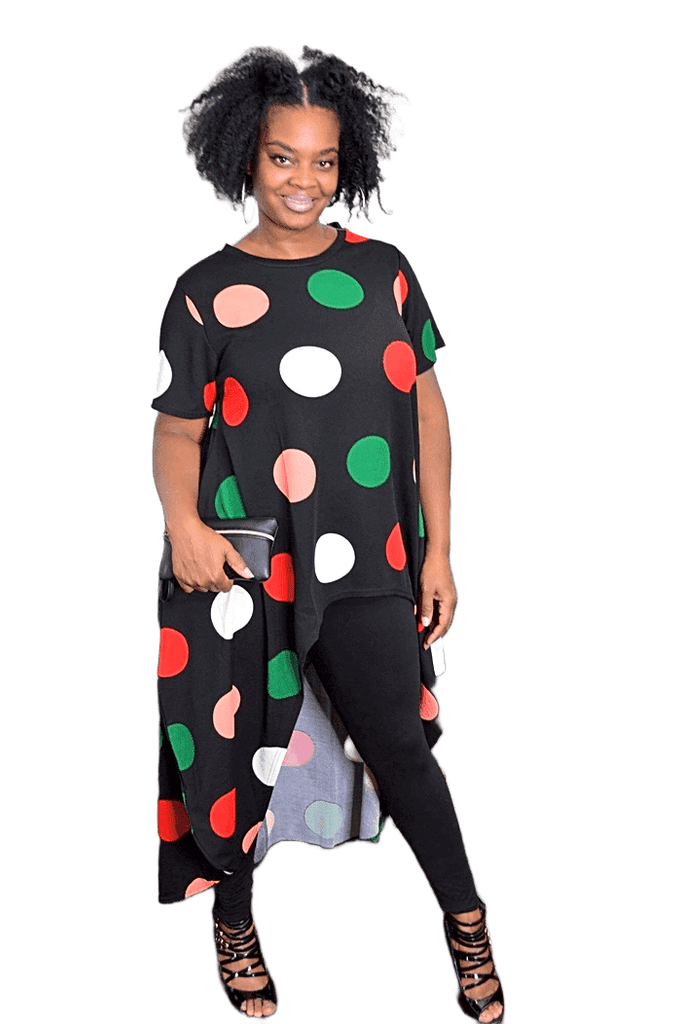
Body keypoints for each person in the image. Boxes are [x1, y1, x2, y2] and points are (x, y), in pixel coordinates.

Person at [151, 45, 505, 1023]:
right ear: (246, 157)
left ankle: (467, 919)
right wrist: (184, 524)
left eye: (322, 160)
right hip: (241, 559)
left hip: (368, 554)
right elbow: (178, 430)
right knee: (235, 751)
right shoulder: (203, 291)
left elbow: (425, 409)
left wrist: (437, 550)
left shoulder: (383, 273)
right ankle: (233, 917)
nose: (302, 180)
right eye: (282, 157)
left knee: (399, 745)